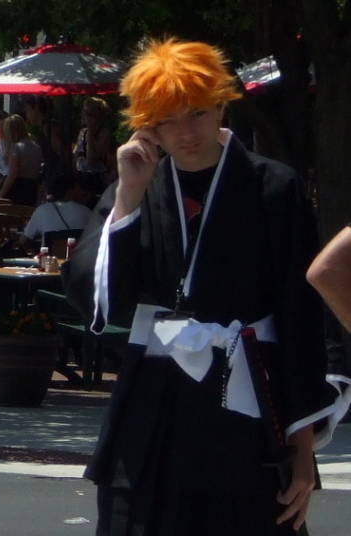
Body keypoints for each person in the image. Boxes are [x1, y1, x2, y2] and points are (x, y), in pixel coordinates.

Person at [64, 38, 350, 535]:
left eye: (196, 114)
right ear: (147, 124)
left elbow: (302, 320)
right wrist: (128, 197)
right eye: (167, 120)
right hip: (152, 406)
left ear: (221, 103)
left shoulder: (274, 187)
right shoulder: (135, 185)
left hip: (247, 403)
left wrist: (303, 454)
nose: (185, 133)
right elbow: (96, 295)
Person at [19, 174, 90, 243]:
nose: (82, 192)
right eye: (79, 189)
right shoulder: (87, 212)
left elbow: (24, 239)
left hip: (50, 254)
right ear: (69, 191)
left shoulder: (42, 210)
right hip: (78, 254)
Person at [74, 96, 117, 196]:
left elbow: (91, 160)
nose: (83, 115)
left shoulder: (103, 133)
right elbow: (76, 156)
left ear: (97, 116)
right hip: (81, 176)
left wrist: (90, 133)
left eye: (88, 113)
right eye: (83, 112)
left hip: (95, 179)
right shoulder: (82, 132)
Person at [0, 114, 44, 205]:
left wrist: (0, 195)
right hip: (32, 188)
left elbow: (12, 174)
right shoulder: (36, 146)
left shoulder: (16, 148)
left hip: (18, 190)